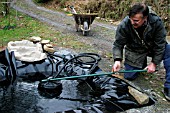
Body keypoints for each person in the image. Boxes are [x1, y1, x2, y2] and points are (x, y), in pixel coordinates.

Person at [112, 3, 170, 101]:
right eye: (130, 19)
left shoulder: (156, 22)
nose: (132, 22)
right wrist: (117, 60)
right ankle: (141, 64)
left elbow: (160, 45)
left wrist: (154, 63)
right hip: (136, 51)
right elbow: (118, 44)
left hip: (153, 48)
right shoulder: (124, 25)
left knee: (169, 50)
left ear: (145, 18)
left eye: (136, 21)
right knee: (129, 76)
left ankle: (169, 86)